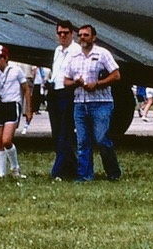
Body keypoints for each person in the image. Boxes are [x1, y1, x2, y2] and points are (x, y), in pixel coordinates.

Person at [63, 24, 122, 182]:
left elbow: (116, 75)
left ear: (93, 37)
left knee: (101, 139)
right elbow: (65, 81)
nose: (82, 38)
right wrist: (76, 82)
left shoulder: (102, 54)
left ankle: (113, 172)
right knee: (82, 142)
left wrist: (98, 84)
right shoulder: (74, 57)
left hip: (100, 102)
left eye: (86, 35)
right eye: (80, 35)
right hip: (80, 103)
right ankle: (84, 176)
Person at [0, 44, 29, 179]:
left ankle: (15, 167)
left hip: (12, 105)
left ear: (6, 58)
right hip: (0, 106)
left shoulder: (16, 70)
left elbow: (26, 88)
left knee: (6, 140)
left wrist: (28, 109)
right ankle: (1, 174)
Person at [48, 22, 81, 179]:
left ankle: (57, 171)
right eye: (60, 33)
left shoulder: (76, 51)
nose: (62, 35)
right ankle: (73, 168)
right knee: (56, 133)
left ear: (72, 34)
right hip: (54, 92)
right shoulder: (58, 51)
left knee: (65, 133)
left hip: (68, 93)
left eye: (66, 33)